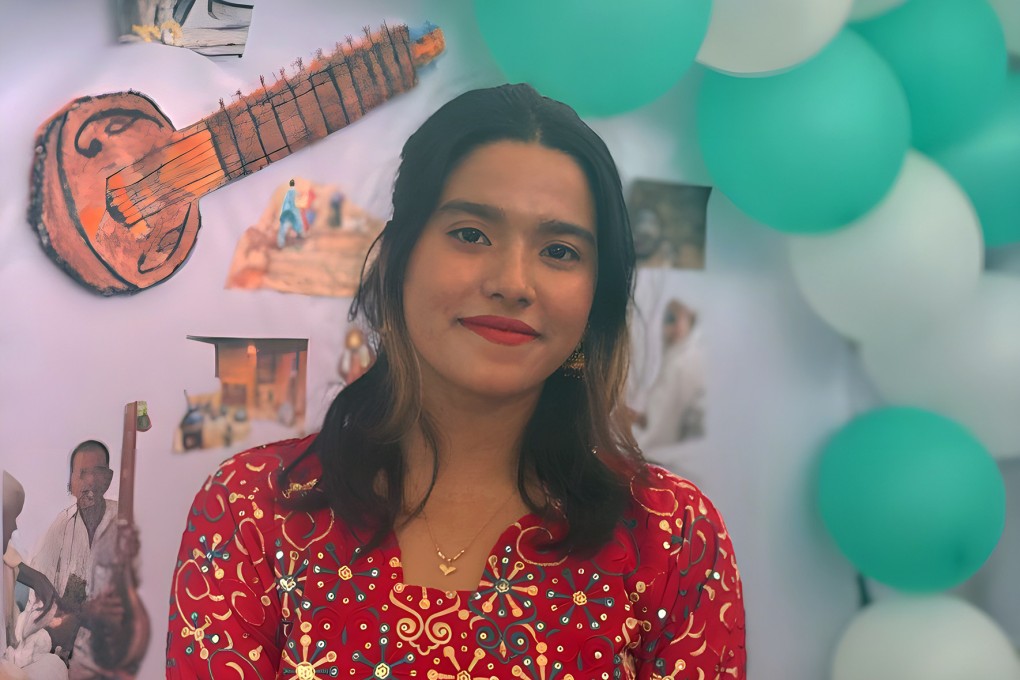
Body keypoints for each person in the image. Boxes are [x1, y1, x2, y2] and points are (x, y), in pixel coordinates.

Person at [166, 84, 745, 679]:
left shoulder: (669, 535)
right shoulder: (255, 510)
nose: (513, 282)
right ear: (395, 258)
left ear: (596, 298)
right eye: (471, 234)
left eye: (559, 250)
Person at [21, 442, 126, 680]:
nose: (89, 482)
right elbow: (39, 597)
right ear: (71, 481)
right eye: (82, 474)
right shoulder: (62, 525)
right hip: (63, 637)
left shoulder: (123, 520)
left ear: (108, 478)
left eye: (98, 472)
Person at [2, 472, 68, 680]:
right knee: (53, 668)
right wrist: (49, 637)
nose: (14, 528)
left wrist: (35, 578)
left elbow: (10, 558)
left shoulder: (9, 559)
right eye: (9, 520)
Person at [633, 299, 706, 451]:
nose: (670, 326)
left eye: (673, 319)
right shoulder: (676, 356)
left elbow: (663, 431)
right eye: (668, 318)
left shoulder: (683, 363)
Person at [277, 179, 305, 249]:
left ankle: (281, 243)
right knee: (297, 225)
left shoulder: (287, 193)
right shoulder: (295, 192)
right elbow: (298, 200)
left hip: (286, 211)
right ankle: (297, 241)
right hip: (292, 211)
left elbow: (284, 203)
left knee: (284, 227)